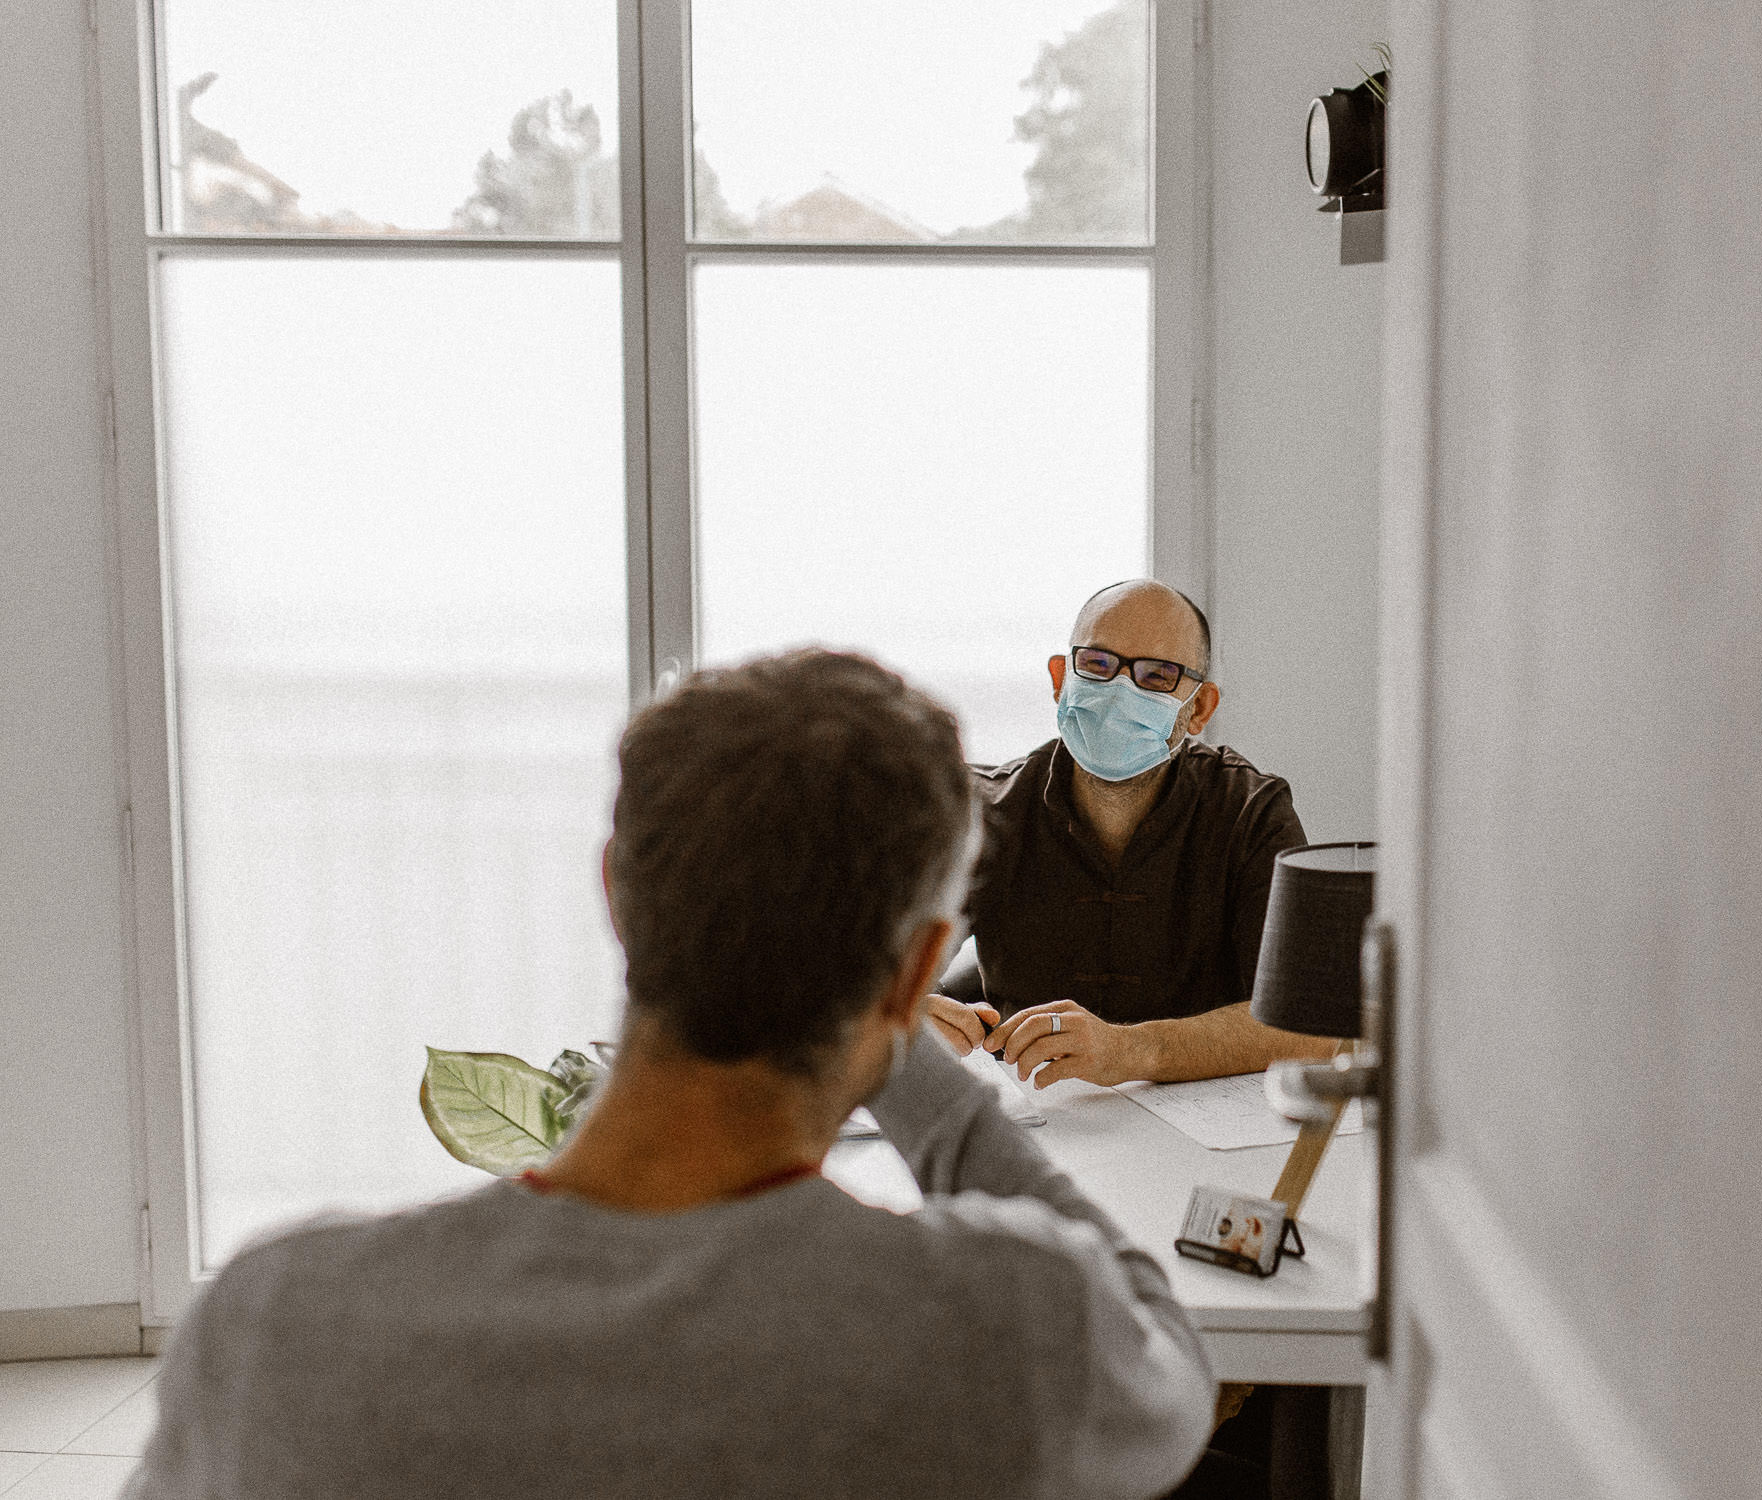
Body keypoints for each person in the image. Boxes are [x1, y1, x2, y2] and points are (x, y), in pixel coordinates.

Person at [128, 650, 1213, 1500]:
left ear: (616, 894)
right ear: (919, 969)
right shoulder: (1011, 1324)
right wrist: (919, 1073)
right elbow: (1170, 1365)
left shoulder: (279, 1326)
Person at [925, 579, 1337, 1087]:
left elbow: (1314, 1026)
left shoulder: (1250, 813)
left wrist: (1135, 1051)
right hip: (1041, 1114)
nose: (1119, 690)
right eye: (1097, 665)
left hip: (1211, 1127)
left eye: (1157, 676)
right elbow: (859, 980)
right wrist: (897, 1018)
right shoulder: (982, 813)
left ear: (1200, 709)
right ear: (1060, 678)